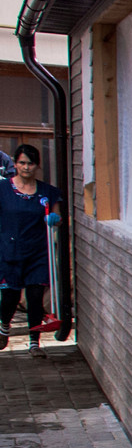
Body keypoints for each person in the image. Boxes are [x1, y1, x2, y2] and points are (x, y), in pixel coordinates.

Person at [0, 144, 62, 358]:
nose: (26, 167)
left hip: (38, 251)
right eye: (22, 163)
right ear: (15, 164)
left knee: (35, 296)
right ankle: (4, 326)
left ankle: (34, 342)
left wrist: (54, 219)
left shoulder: (46, 192)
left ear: (37, 165)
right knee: (9, 296)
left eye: (30, 163)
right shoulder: (3, 189)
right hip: (10, 249)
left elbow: (57, 216)